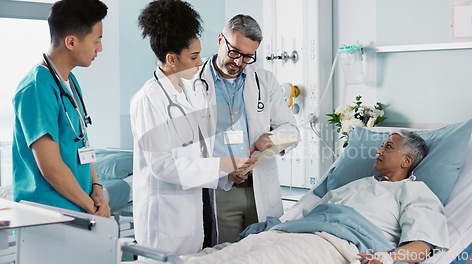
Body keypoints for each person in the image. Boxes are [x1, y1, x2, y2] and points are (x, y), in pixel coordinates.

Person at [179, 130, 449, 264]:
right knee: (217, 256)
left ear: (406, 161)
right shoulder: (358, 184)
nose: (378, 150)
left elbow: (424, 245)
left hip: (336, 246)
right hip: (294, 232)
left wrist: (388, 258)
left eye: (388, 147)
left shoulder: (415, 192)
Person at [130, 0, 257, 255]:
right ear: (171, 59)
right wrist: (222, 165)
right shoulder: (148, 100)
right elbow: (162, 166)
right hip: (163, 221)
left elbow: (198, 154)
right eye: (194, 57)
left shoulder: (194, 91)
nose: (201, 63)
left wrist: (226, 174)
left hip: (194, 215)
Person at [192, 14, 300, 243]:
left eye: (248, 57)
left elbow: (291, 128)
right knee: (224, 254)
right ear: (221, 39)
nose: (239, 62)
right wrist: (225, 170)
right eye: (235, 53)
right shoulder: (194, 82)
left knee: (264, 252)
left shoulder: (265, 80)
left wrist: (272, 138)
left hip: (260, 186)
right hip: (221, 189)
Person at [12, 0, 110, 217]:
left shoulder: (70, 82)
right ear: (71, 42)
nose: (100, 48)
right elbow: (50, 166)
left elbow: (82, 141)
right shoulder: (37, 87)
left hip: (77, 208)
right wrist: (90, 207)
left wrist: (96, 188)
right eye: (97, 40)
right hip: (46, 214)